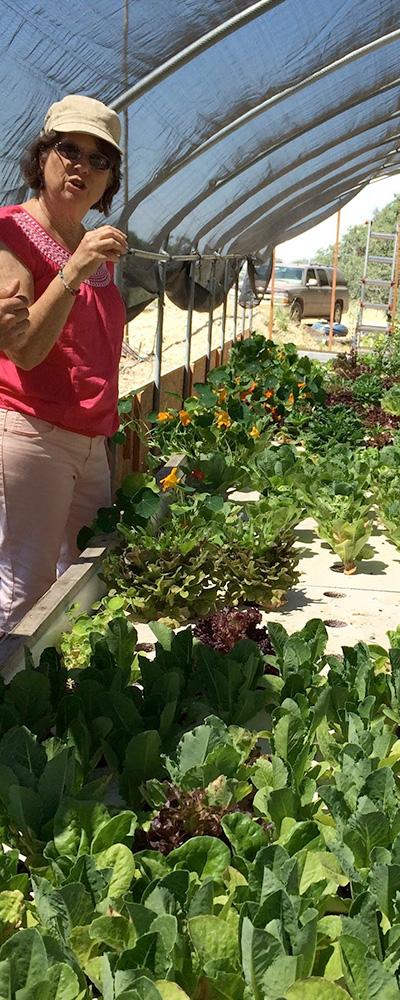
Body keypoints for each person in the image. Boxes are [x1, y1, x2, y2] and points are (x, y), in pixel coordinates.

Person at [0, 94, 128, 632]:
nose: (82, 166)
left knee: (86, 581)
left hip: (91, 441)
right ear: (42, 156)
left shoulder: (91, 245)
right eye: (68, 149)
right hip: (33, 434)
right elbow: (24, 350)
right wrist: (74, 268)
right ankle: (14, 712)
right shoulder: (10, 231)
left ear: (109, 179)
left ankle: (62, 702)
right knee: (22, 590)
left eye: (99, 159)